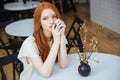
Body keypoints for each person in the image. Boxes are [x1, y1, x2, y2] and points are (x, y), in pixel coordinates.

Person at [17, 2, 68, 80]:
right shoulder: (29, 43)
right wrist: (57, 41)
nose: (51, 21)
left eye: (54, 17)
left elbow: (63, 65)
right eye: (45, 18)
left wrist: (61, 36)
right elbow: (45, 73)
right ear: (39, 22)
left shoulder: (57, 34)